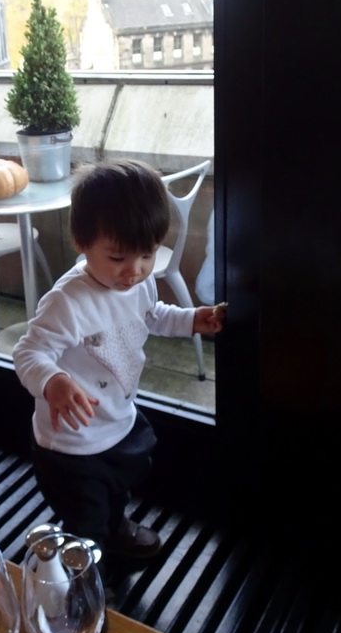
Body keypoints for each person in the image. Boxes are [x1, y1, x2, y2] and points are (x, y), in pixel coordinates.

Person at [13, 159, 224, 561]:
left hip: (116, 420)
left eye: (147, 255)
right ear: (80, 241)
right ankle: (85, 577)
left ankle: (115, 528)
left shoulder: (136, 284)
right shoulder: (68, 301)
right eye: (117, 258)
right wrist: (53, 381)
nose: (134, 272)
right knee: (82, 518)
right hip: (72, 443)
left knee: (117, 488)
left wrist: (193, 319)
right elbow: (28, 351)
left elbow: (154, 314)